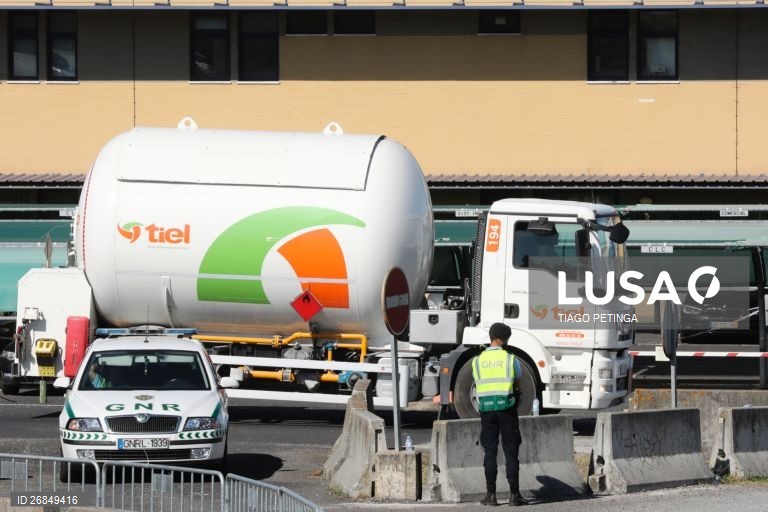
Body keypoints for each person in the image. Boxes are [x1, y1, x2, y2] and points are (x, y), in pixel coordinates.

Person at [472, 322, 527, 507]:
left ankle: (491, 495)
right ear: (504, 339)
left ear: (491, 337)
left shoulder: (477, 360)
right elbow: (518, 381)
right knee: (511, 451)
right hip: (507, 408)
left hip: (486, 410)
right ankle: (514, 495)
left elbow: (477, 381)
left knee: (490, 451)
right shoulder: (511, 359)